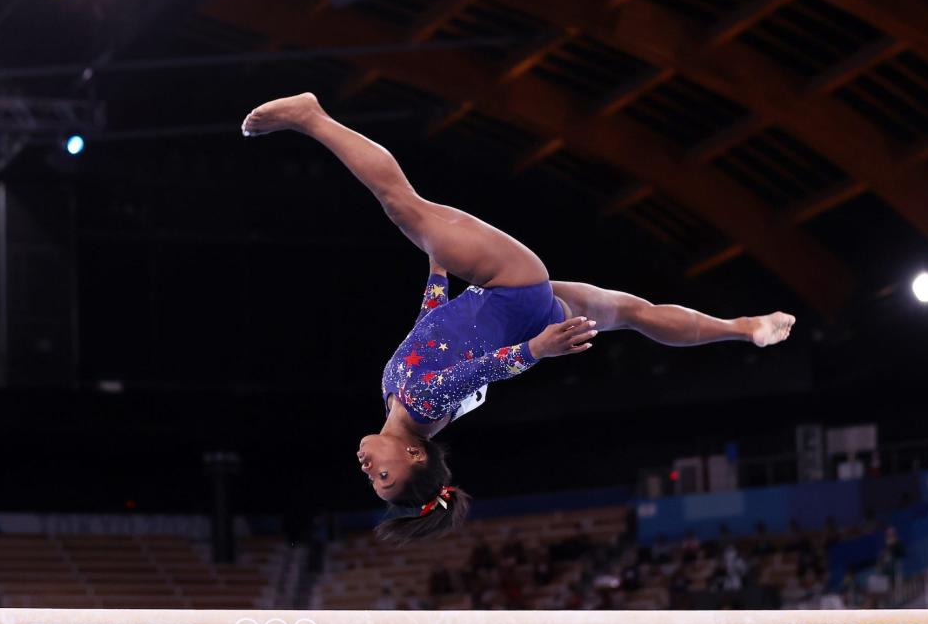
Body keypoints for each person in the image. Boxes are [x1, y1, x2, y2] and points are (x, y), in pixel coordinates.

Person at [241, 93, 797, 544]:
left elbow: (429, 332)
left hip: (521, 305)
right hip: (511, 288)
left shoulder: (395, 395)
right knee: (401, 205)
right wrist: (540, 350)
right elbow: (484, 368)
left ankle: (742, 327)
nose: (368, 471)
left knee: (633, 314)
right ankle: (312, 117)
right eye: (385, 477)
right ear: (413, 456)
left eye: (374, 482)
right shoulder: (424, 408)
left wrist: (437, 272)